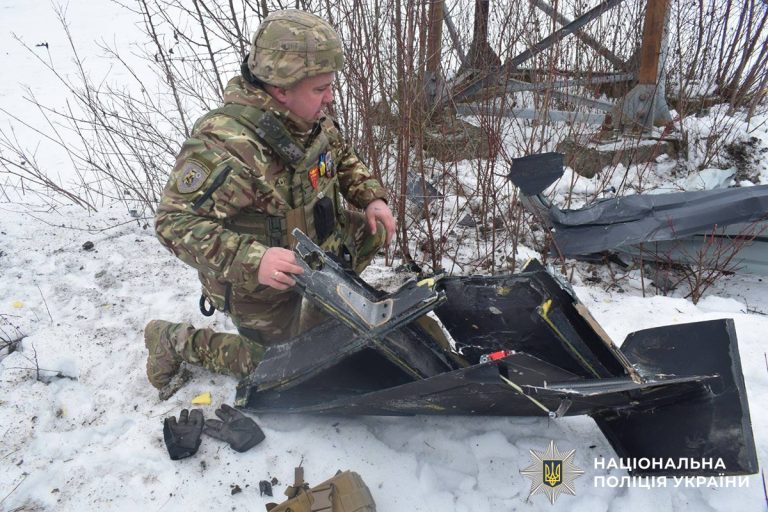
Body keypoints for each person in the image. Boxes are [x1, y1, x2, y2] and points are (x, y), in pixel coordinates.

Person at [144, 9, 396, 400]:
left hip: (315, 250)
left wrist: (372, 197)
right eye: (320, 89)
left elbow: (340, 155)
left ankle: (321, 306)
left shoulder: (305, 115)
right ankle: (173, 340)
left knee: (372, 232)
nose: (329, 97)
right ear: (281, 88)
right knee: (290, 368)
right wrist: (253, 259)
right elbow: (172, 223)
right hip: (262, 282)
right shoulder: (227, 146)